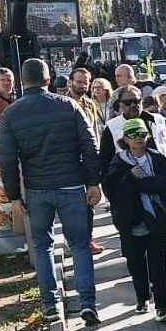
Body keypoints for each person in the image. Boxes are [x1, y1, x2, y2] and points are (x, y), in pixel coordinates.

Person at [0, 58, 102, 326]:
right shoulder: (68, 105)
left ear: (22, 81)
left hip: (36, 188)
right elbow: (89, 145)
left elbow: (7, 159)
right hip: (70, 184)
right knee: (79, 244)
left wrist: (13, 196)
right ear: (48, 79)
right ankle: (87, 303)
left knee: (43, 246)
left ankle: (51, 304)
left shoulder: (12, 113)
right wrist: (93, 182)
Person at [102, 118, 166, 322]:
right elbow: (112, 190)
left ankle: (162, 307)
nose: (138, 139)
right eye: (133, 135)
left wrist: (140, 183)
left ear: (148, 137)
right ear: (124, 138)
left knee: (158, 263)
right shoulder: (119, 161)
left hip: (157, 218)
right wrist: (129, 178)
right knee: (135, 261)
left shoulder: (157, 158)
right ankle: (142, 297)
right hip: (130, 220)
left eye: (142, 134)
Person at [67, 67, 106, 255]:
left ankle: (89, 238)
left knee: (90, 202)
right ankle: (74, 240)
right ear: (71, 82)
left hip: (89, 158)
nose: (83, 85)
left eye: (86, 82)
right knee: (73, 204)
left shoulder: (91, 104)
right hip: (70, 160)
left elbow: (95, 131)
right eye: (79, 82)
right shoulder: (64, 103)